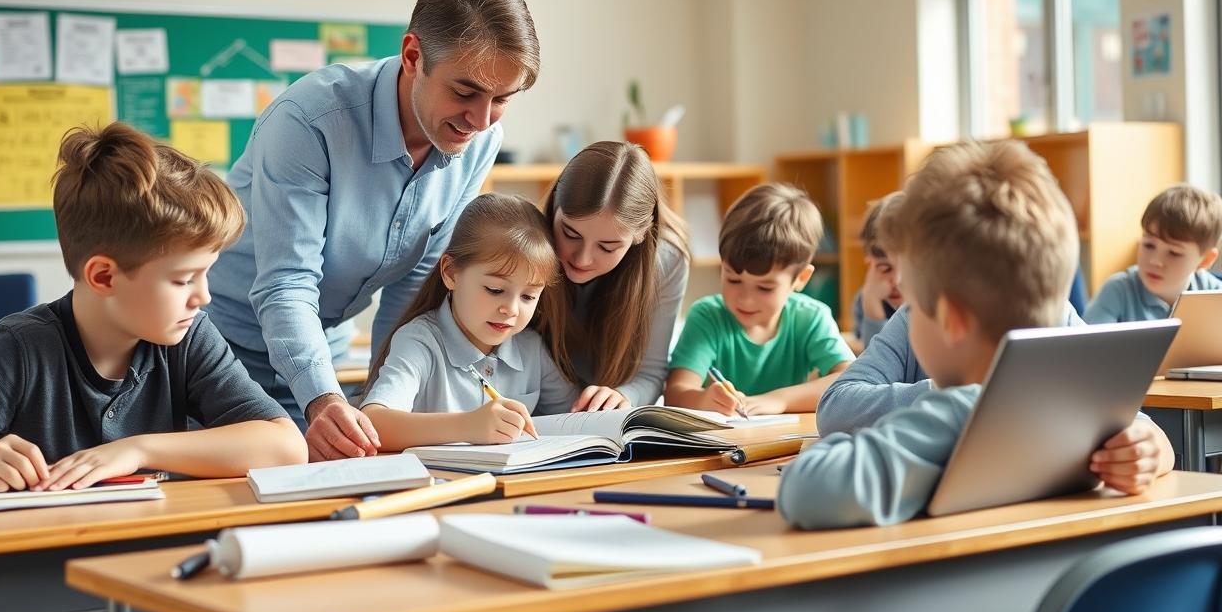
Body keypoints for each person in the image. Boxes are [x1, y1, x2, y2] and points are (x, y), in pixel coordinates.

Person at [0, 122, 305, 612]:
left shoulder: (186, 336)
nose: (203, 296)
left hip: (140, 553)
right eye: (184, 279)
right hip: (21, 571)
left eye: (207, 274)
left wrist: (134, 450)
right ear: (105, 276)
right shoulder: (20, 348)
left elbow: (285, 446)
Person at [206, 0, 540, 462]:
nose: (480, 120)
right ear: (413, 54)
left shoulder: (479, 139)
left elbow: (419, 274)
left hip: (324, 346)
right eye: (465, 92)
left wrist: (385, 398)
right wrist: (324, 400)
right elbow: (288, 284)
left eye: (501, 99)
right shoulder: (310, 121)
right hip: (223, 348)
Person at [780, 140, 1174, 531]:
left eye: (913, 303)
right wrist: (1151, 450)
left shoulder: (949, 416)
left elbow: (804, 490)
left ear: (950, 319)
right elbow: (1135, 422)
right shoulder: (1069, 399)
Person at [360, 193, 577, 449]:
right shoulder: (420, 341)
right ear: (451, 273)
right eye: (495, 290)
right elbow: (373, 424)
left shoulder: (530, 347)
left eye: (529, 296)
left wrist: (610, 400)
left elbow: (575, 418)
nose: (511, 309)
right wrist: (468, 426)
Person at [664, 183, 854, 415]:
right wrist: (703, 400)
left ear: (800, 278)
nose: (745, 300)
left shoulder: (811, 317)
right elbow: (675, 393)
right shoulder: (707, 316)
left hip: (785, 445)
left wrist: (779, 400)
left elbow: (848, 381)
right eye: (733, 280)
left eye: (764, 288)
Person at [534, 141, 690, 413]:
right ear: (555, 207)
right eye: (570, 233)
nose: (581, 258)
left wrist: (624, 396)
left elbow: (651, 373)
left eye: (607, 247)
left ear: (641, 235)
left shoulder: (668, 260)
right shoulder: (525, 244)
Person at [1085, 183, 1222, 323]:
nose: (1154, 261)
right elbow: (1088, 344)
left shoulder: (1214, 292)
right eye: (1148, 245)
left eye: (1174, 253)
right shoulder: (1117, 291)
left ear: (1205, 260)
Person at [848, 191, 904, 353]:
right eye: (885, 268)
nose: (897, 280)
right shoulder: (866, 299)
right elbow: (875, 368)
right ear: (869, 262)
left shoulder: (931, 304)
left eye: (908, 270)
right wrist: (872, 307)